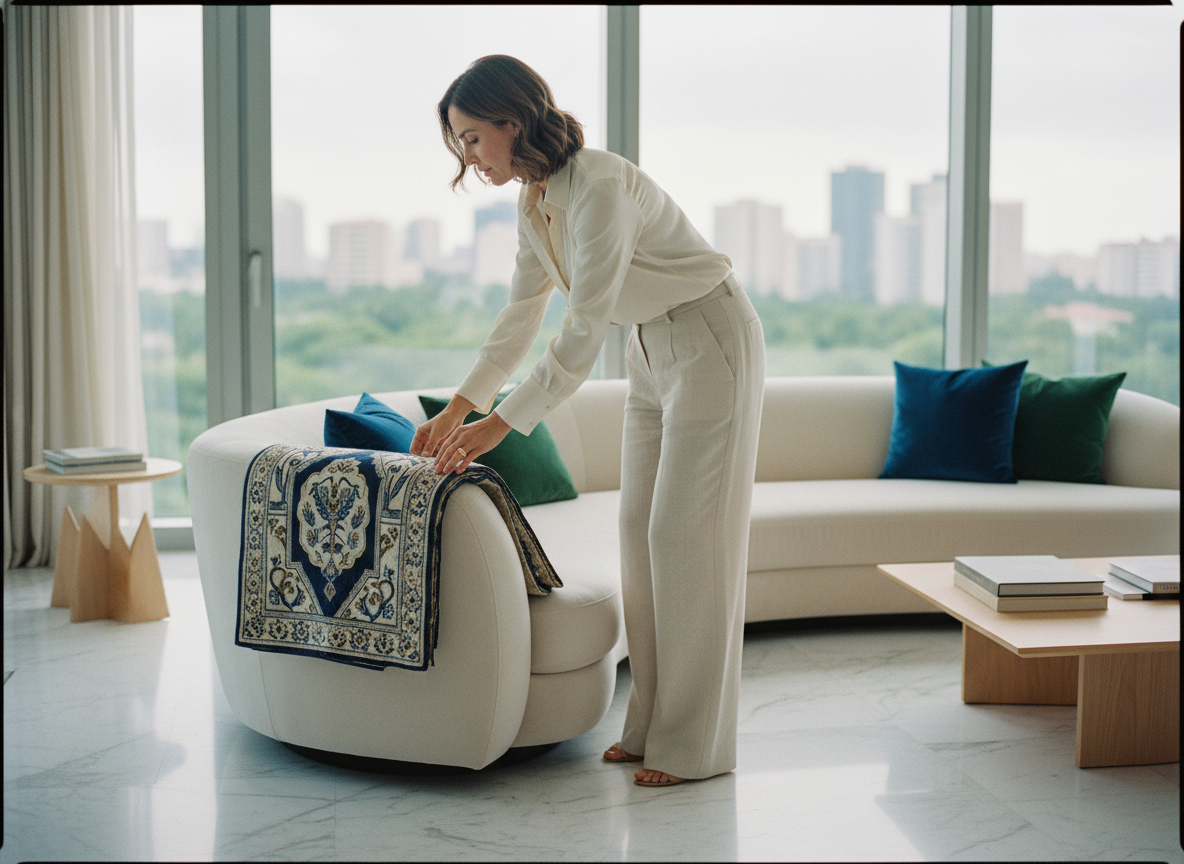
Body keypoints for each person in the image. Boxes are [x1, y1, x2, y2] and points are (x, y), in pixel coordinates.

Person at [410, 55, 765, 788]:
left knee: (687, 541)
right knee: (640, 535)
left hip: (709, 339)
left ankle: (695, 746)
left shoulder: (599, 184)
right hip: (649, 349)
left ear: (512, 121)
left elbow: (582, 324)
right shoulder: (535, 197)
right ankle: (651, 726)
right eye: (460, 143)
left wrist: (500, 426)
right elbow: (522, 312)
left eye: (473, 138)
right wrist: (458, 406)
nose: (468, 158)